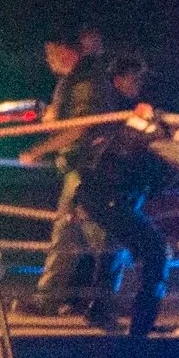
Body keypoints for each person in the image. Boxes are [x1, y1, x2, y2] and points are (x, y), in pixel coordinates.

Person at [70, 53, 179, 339]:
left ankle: (105, 310)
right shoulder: (159, 140)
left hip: (107, 195)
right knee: (156, 253)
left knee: (120, 247)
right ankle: (140, 330)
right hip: (108, 198)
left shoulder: (149, 124)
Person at [25, 26, 112, 309]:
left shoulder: (85, 83)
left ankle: (102, 300)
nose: (49, 60)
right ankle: (51, 300)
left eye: (52, 52)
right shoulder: (73, 82)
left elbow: (78, 129)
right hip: (79, 167)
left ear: (67, 50)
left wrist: (37, 150)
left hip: (89, 168)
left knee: (97, 235)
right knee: (68, 235)